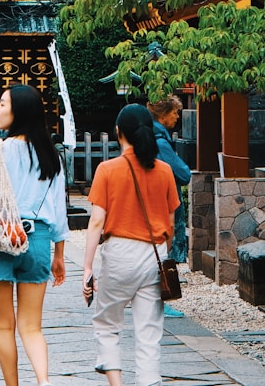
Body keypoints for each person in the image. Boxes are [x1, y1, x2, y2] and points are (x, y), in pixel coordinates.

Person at [0, 84, 68, 386]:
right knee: (32, 326)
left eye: (1, 104)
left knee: (3, 325)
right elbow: (58, 210)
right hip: (37, 239)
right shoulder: (50, 155)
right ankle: (43, 381)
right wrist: (60, 255)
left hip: (1, 238)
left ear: (18, 111)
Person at [82, 104, 180, 386]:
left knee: (107, 322)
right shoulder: (163, 171)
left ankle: (117, 383)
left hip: (120, 252)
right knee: (149, 331)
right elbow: (170, 223)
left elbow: (97, 222)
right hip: (155, 254)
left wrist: (88, 267)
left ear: (119, 132)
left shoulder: (107, 170)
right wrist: (165, 253)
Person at [147, 95, 190, 265]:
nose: (177, 116)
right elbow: (183, 174)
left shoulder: (151, 137)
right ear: (163, 115)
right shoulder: (161, 143)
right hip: (166, 199)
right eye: (175, 112)